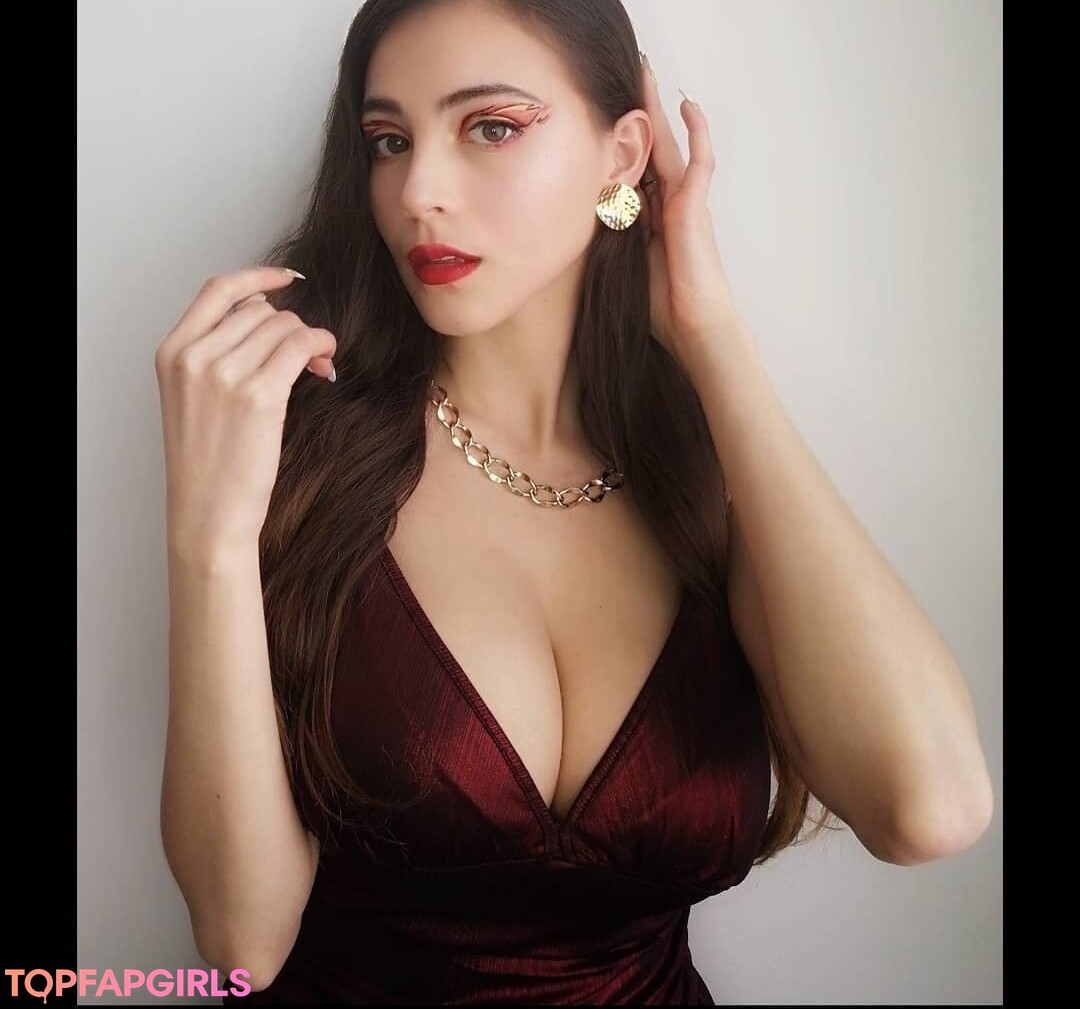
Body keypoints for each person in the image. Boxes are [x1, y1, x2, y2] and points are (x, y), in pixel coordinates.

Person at [155, 0, 994, 1003]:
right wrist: (208, 538)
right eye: (389, 141)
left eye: (491, 126)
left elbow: (929, 809)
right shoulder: (295, 449)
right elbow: (240, 942)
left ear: (621, 155)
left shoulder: (704, 477)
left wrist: (711, 335)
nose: (417, 191)